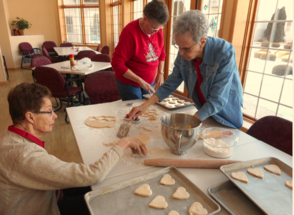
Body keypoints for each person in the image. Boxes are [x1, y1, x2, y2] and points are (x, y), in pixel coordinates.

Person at [0, 82, 147, 215]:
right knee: (107, 198)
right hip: (44, 207)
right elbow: (94, 174)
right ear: (30, 117)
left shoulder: (10, 137)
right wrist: (124, 143)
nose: (55, 116)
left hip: (43, 193)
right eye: (49, 111)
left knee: (99, 185)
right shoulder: (24, 155)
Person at [128, 10, 244, 129]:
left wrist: (190, 123)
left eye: (186, 49)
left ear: (202, 41)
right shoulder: (184, 51)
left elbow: (218, 99)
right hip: (204, 114)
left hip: (225, 118)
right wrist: (145, 105)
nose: (181, 53)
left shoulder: (224, 52)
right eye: (178, 47)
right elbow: (170, 84)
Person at [111, 0, 169, 100]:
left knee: (148, 110)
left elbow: (162, 53)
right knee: (136, 112)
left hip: (149, 80)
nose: (156, 32)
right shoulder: (130, 32)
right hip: (130, 83)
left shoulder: (157, 30)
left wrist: (160, 73)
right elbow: (117, 63)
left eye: (159, 28)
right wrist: (140, 81)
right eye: (154, 28)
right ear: (145, 18)